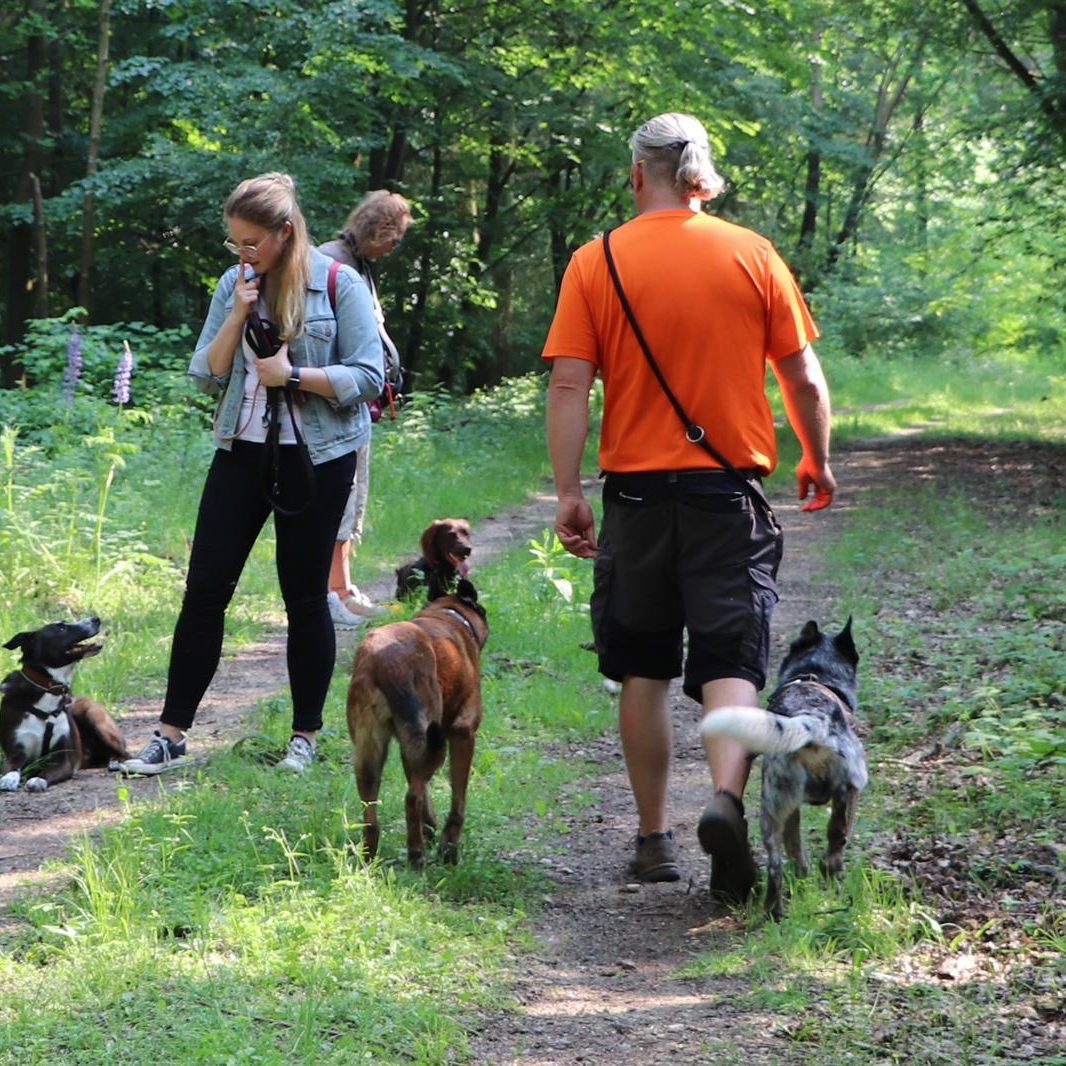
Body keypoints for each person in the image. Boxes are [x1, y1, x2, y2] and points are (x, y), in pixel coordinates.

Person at [543, 113, 836, 902]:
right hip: (726, 496)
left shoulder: (594, 261)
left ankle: (651, 839)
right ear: (701, 176)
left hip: (635, 498)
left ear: (639, 174)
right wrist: (815, 454)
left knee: (642, 666)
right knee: (729, 661)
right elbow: (802, 377)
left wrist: (570, 490)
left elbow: (570, 384)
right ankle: (726, 803)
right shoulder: (753, 254)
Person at [121, 172, 383, 776]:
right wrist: (237, 316)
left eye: (252, 243)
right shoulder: (232, 285)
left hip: (318, 457)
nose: (243, 254)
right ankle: (170, 736)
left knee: (304, 597)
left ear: (285, 234)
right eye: (234, 243)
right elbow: (205, 374)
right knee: (205, 591)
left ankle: (305, 739)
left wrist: (293, 376)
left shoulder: (337, 283)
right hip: (241, 452)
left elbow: (368, 377)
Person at [318, 190, 413, 627]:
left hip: (357, 404)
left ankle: (345, 586)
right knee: (337, 499)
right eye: (394, 238)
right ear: (378, 229)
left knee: (353, 499)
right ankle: (328, 593)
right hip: (334, 404)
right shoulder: (329, 260)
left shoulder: (360, 264)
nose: (396, 247)